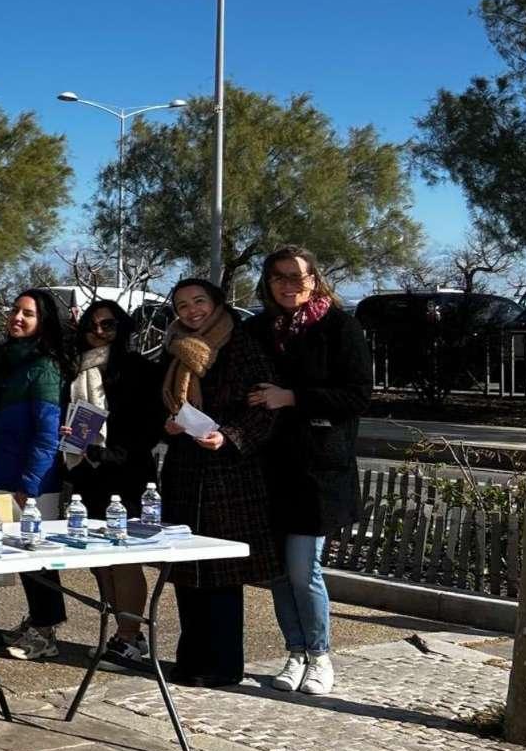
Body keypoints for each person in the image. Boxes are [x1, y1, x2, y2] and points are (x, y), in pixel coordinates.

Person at [247, 245, 370, 696]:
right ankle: (294, 651)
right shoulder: (259, 329)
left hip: (317, 470)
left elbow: (357, 396)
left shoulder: (339, 326)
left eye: (296, 276)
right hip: (269, 466)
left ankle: (319, 655)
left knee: (303, 569)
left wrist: (293, 397)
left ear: (314, 278)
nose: (287, 284)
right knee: (278, 571)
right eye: (278, 277)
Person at [159, 277, 279, 688]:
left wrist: (230, 436)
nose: (191, 311)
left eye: (199, 302)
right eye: (182, 305)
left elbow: (263, 408)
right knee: (187, 569)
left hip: (228, 473)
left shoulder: (241, 344)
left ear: (217, 303)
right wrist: (171, 426)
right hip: (186, 469)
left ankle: (225, 664)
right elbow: (169, 403)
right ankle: (190, 659)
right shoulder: (175, 346)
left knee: (222, 574)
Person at [61, 301, 163, 663]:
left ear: (122, 330)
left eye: (108, 325)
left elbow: (150, 428)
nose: (99, 332)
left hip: (128, 475)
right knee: (99, 557)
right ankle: (115, 631)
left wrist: (111, 453)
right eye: (92, 325)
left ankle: (131, 635)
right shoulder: (75, 369)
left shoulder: (138, 369)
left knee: (124, 559)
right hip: (88, 474)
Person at [0, 289, 74, 661]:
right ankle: (39, 621)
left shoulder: (44, 367)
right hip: (9, 474)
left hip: (34, 483)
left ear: (44, 323)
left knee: (38, 560)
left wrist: (29, 484)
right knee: (27, 560)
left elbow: (46, 433)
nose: (17, 318)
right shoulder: (13, 360)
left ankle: (46, 632)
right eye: (15, 310)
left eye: (28, 314)